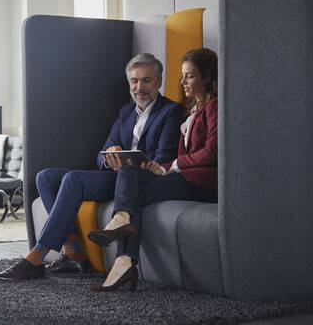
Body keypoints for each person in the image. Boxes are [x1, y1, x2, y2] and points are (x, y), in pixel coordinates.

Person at [0, 53, 185, 282]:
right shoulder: (125, 112)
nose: (139, 87)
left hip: (136, 182)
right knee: (45, 177)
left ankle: (36, 257)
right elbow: (100, 156)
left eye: (146, 80)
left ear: (159, 81)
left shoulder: (170, 111)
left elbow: (161, 161)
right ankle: (73, 251)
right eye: (134, 81)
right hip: (114, 174)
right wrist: (110, 156)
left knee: (73, 179)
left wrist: (127, 161)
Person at [87, 48, 219, 292]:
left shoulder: (214, 107)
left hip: (203, 184)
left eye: (189, 76)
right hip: (184, 176)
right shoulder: (193, 109)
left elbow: (212, 152)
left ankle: (122, 239)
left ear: (207, 78)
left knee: (131, 184)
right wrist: (164, 168)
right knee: (130, 177)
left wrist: (173, 166)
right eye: (183, 75)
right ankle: (124, 257)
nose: (182, 81)